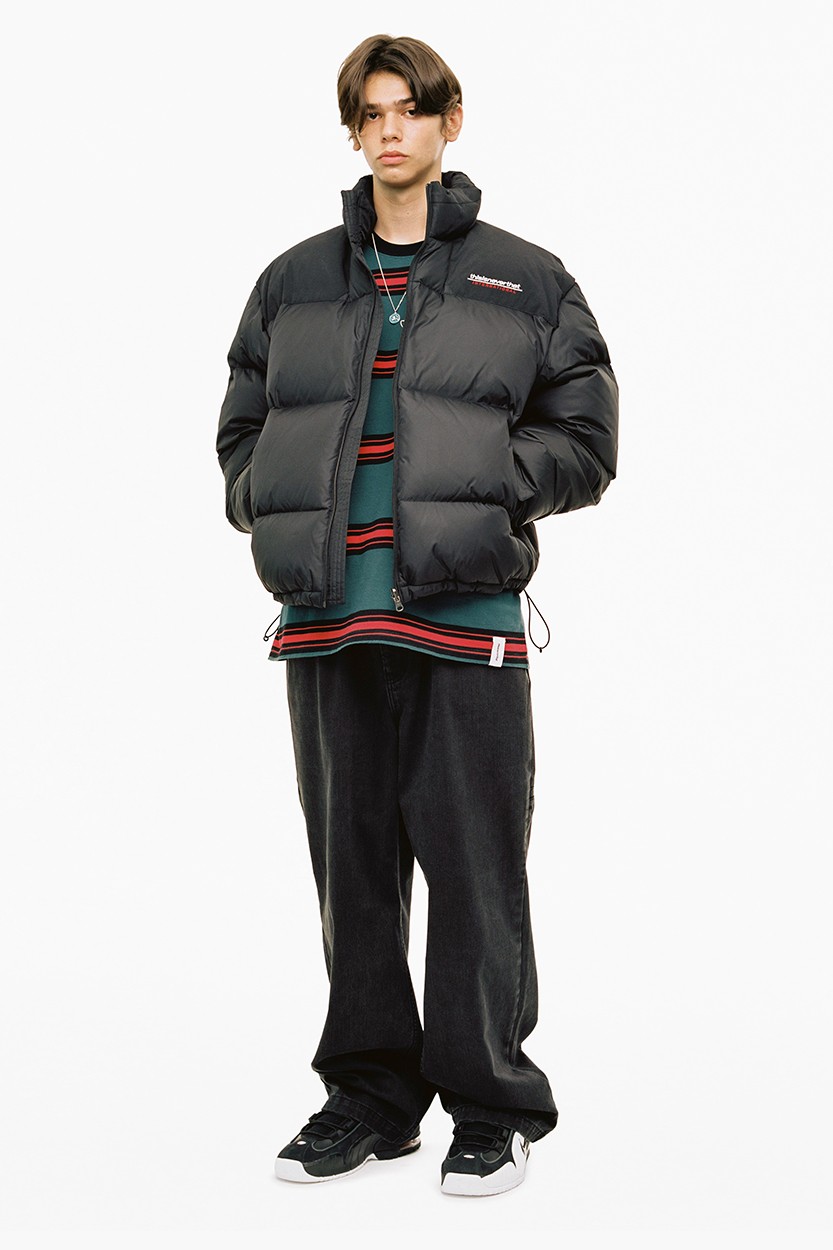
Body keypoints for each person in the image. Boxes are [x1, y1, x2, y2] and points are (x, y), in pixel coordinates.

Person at [216, 33, 618, 1197]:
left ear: (448, 122)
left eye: (411, 109)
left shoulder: (523, 277)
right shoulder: (292, 280)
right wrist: (267, 503)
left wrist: (482, 483)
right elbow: (239, 432)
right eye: (372, 112)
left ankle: (490, 1104)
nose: (391, 129)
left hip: (466, 616)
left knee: (476, 874)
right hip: (327, 619)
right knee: (351, 877)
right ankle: (371, 1098)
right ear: (353, 130)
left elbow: (587, 439)